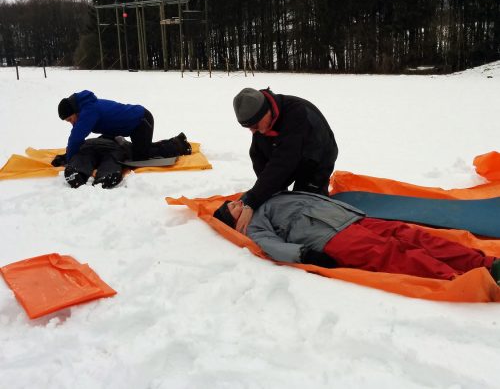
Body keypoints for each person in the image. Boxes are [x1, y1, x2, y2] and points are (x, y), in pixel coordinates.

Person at [213, 192, 500, 283]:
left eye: (235, 201)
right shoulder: (254, 226)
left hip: (350, 218)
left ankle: (486, 263)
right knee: (392, 254)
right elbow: (269, 246)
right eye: (233, 208)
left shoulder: (264, 197)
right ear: (234, 223)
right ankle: (464, 280)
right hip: (327, 237)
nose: (238, 203)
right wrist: (304, 255)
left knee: (415, 236)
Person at [232, 87, 338, 234]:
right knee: (275, 196)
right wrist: (262, 195)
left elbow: (283, 163)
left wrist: (252, 203)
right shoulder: (262, 120)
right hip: (288, 153)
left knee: (306, 206)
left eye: (255, 126)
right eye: (249, 128)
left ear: (266, 111)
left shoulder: (296, 114)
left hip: (317, 156)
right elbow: (259, 157)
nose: (253, 131)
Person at [53, 132, 192, 189]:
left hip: (88, 146)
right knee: (112, 159)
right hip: (113, 148)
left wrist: (62, 158)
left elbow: (73, 151)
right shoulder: (119, 141)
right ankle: (106, 176)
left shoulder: (90, 141)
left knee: (83, 157)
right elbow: (147, 150)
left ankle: (76, 171)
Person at [57, 90, 156, 162]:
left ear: (74, 110)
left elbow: (76, 137)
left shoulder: (89, 111)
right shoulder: (83, 110)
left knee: (141, 159)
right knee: (105, 148)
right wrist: (69, 151)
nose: (71, 123)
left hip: (141, 121)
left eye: (70, 119)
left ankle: (171, 146)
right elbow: (76, 135)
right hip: (126, 127)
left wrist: (68, 159)